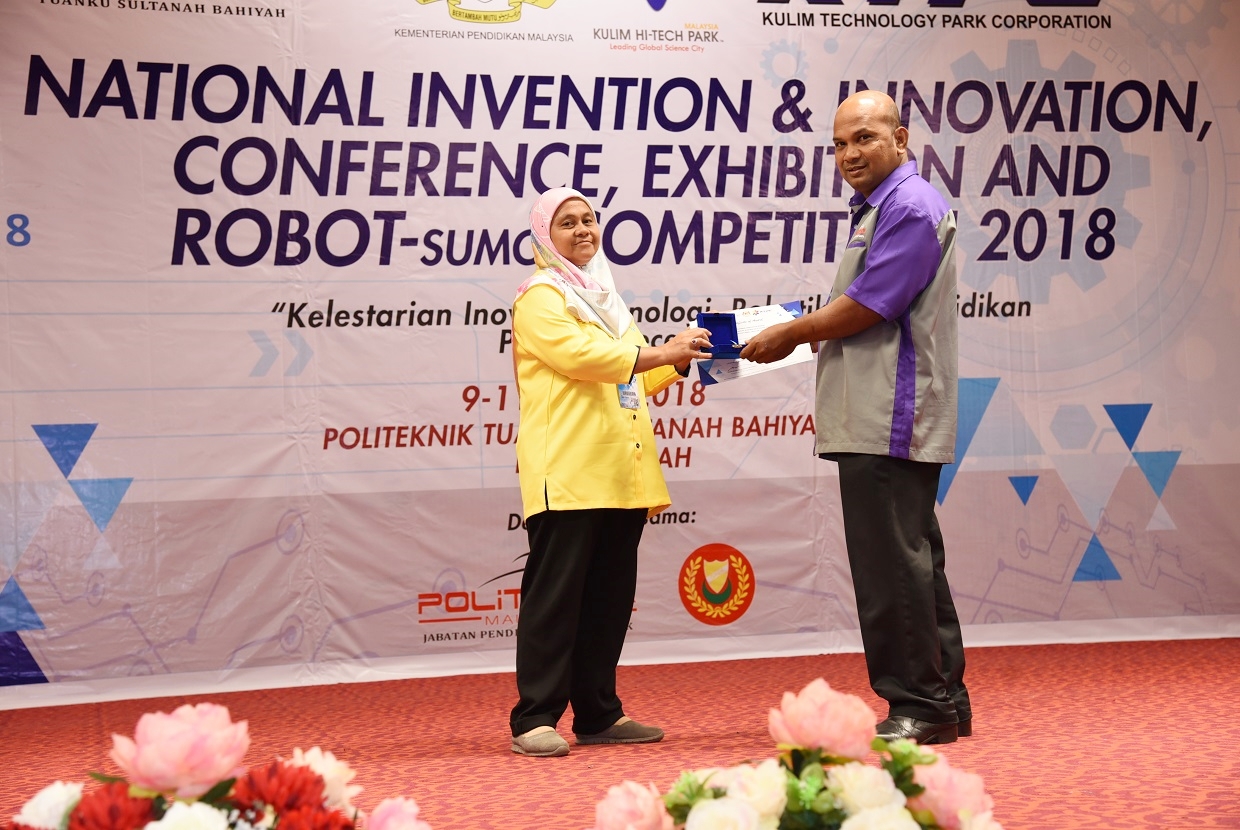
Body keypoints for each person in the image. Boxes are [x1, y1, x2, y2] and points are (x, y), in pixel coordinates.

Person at [739, 90, 970, 745]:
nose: (849, 154)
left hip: (888, 415)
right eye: (839, 144)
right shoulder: (884, 206)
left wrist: (794, 332)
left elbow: (871, 304)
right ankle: (945, 697)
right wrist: (801, 329)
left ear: (901, 138)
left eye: (864, 138)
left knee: (891, 567)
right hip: (877, 412)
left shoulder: (909, 205)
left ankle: (918, 704)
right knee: (913, 560)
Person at [508, 186, 713, 757]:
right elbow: (581, 358)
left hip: (621, 474)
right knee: (556, 601)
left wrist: (687, 356)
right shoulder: (541, 296)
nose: (582, 230)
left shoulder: (606, 298)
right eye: (567, 223)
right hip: (569, 472)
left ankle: (598, 713)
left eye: (589, 219)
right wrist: (661, 351)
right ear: (545, 236)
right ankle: (534, 716)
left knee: (607, 603)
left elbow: (636, 374)